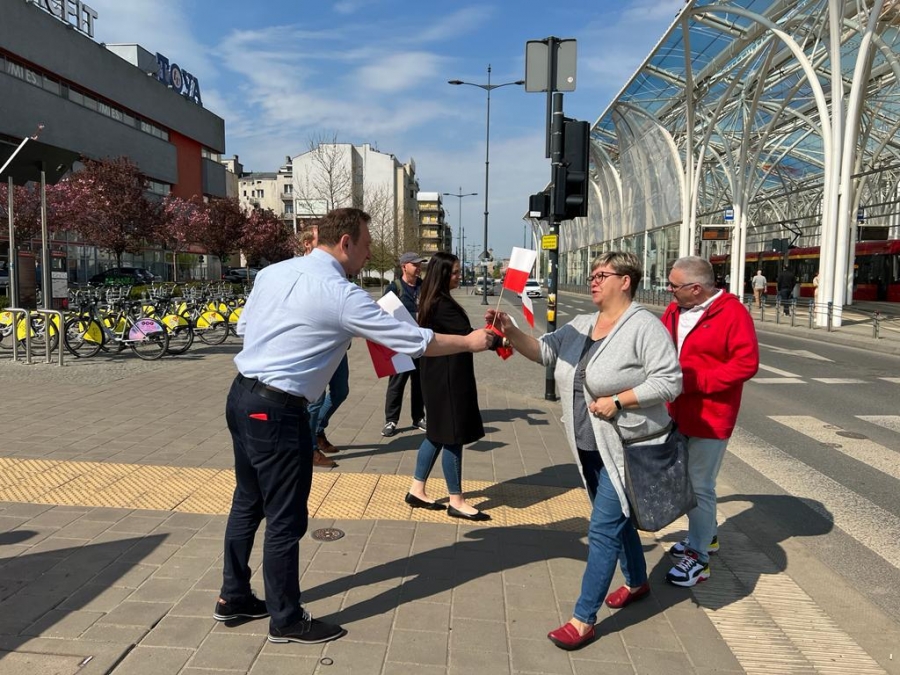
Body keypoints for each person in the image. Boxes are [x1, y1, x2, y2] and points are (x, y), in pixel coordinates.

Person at [215, 208, 494, 646]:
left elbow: (244, 326)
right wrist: (471, 341)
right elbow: (412, 341)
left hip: (242, 396)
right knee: (285, 519)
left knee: (248, 502)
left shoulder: (272, 272)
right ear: (345, 242)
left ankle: (233, 596)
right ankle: (285, 619)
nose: (368, 255)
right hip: (279, 411)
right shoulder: (341, 294)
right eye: (365, 246)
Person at [486, 251, 681, 651]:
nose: (593, 280)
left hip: (626, 447)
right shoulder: (581, 326)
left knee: (603, 528)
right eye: (592, 274)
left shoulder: (644, 326)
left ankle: (583, 619)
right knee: (618, 518)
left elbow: (670, 380)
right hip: (587, 444)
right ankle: (638, 581)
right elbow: (544, 351)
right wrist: (510, 330)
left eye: (601, 274)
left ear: (625, 281)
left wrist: (620, 400)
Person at [661, 256, 759, 587]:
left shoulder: (732, 313)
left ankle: (699, 558)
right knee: (689, 482)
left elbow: (746, 363)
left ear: (696, 288)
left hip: (711, 416)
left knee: (698, 484)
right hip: (678, 411)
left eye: (674, 285)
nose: (669, 290)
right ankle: (706, 536)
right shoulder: (675, 310)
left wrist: (696, 381)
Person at [405, 252, 490, 521]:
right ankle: (456, 500)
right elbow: (469, 338)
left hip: (437, 376)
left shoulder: (432, 300)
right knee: (453, 436)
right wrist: (498, 338)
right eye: (454, 272)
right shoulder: (442, 304)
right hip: (448, 378)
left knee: (437, 434)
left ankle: (417, 489)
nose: (459, 276)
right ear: (442, 275)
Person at [299, 225, 345, 469]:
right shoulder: (299, 270)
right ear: (307, 244)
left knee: (341, 391)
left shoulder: (333, 269)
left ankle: (317, 430)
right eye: (320, 239)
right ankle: (310, 449)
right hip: (316, 347)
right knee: (316, 400)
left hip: (338, 346)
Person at [381, 252, 427, 438]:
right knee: (397, 383)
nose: (418, 268)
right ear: (404, 266)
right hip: (400, 344)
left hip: (420, 342)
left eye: (419, 264)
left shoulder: (424, 286)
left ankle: (418, 417)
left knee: (420, 383)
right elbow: (383, 313)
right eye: (415, 264)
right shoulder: (394, 288)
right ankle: (391, 420)